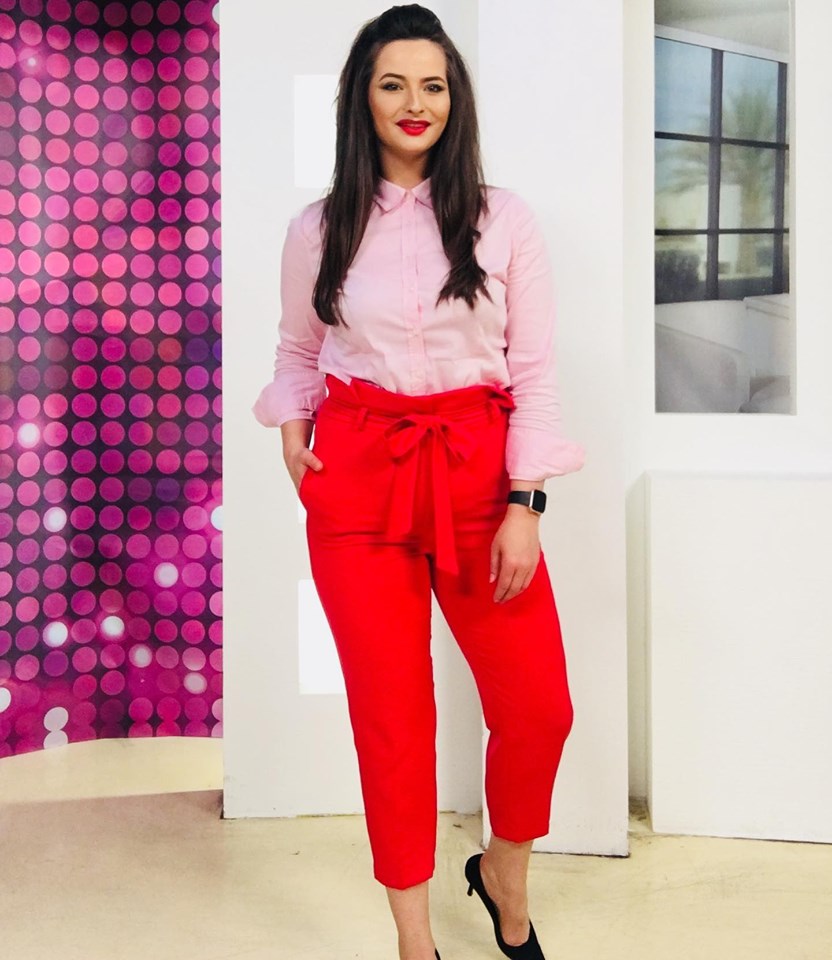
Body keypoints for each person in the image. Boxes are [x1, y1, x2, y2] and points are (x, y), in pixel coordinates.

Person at [252, 5, 586, 959]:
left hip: (479, 475)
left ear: (454, 98)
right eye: (393, 83)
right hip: (357, 479)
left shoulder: (501, 218)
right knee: (393, 721)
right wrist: (294, 432)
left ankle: (503, 870)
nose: (415, 103)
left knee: (539, 708)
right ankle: (414, 941)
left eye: (433, 85)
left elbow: (535, 372)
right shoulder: (318, 227)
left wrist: (526, 502)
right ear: (362, 98)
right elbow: (298, 347)